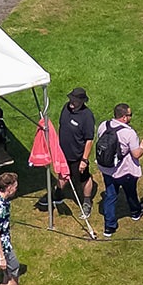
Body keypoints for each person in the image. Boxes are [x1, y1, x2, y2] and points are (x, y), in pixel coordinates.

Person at [96, 103, 143, 237]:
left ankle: (109, 226)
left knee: (110, 195)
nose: (131, 117)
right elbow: (136, 154)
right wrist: (142, 147)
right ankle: (135, 212)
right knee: (130, 192)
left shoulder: (103, 125)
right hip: (124, 171)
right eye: (130, 115)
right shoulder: (129, 133)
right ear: (124, 117)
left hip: (107, 169)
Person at [57, 87, 95, 217]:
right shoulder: (66, 108)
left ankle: (87, 202)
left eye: (74, 100)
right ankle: (57, 194)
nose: (71, 101)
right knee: (62, 174)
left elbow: (89, 140)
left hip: (77, 155)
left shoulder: (87, 116)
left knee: (83, 178)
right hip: (62, 153)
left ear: (82, 101)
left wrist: (84, 160)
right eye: (71, 98)